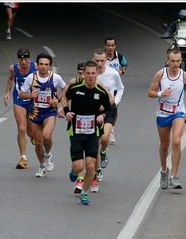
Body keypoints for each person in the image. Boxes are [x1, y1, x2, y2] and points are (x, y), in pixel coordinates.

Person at [61, 61, 112, 205]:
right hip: (76, 132)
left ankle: (84, 192)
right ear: (83, 74)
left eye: (93, 73)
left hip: (92, 133)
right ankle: (73, 170)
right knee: (79, 167)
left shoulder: (101, 92)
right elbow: (64, 98)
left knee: (90, 166)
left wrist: (103, 116)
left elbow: (109, 108)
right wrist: (67, 112)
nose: (90, 76)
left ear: (97, 74)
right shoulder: (75, 88)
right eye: (87, 73)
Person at [147, 48, 186, 190]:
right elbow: (150, 93)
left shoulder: (184, 75)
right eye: (172, 61)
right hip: (162, 113)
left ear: (181, 61)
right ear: (167, 61)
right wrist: (162, 93)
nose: (175, 64)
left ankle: (174, 177)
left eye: (178, 61)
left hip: (178, 112)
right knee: (164, 145)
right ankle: (164, 171)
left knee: (176, 141)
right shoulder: (160, 74)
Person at [18, 53, 67, 178]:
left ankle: (48, 154)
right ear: (37, 65)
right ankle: (41, 165)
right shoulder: (31, 78)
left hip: (49, 111)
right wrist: (30, 96)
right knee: (38, 143)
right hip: (35, 112)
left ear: (49, 66)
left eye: (46, 64)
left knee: (46, 136)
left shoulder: (55, 77)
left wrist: (58, 99)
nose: (43, 67)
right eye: (41, 64)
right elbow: (21, 94)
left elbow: (66, 88)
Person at [93, 48, 124, 182]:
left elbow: (121, 88)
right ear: (93, 60)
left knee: (104, 138)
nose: (99, 63)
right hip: (93, 111)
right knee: (95, 142)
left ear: (106, 60)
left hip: (109, 110)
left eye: (102, 60)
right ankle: (97, 169)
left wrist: (115, 102)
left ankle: (104, 152)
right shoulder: (90, 74)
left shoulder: (113, 73)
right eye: (97, 60)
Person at [4, 47, 37, 169]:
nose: (24, 62)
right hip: (19, 100)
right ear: (18, 60)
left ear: (29, 59)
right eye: (21, 59)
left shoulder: (36, 67)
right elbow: (10, 78)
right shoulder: (13, 68)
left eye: (26, 59)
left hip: (32, 100)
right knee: (21, 128)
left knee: (30, 132)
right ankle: (23, 158)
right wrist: (7, 92)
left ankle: (32, 134)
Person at [104, 36, 128, 144]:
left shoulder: (119, 56)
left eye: (112, 45)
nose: (110, 48)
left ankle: (111, 130)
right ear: (105, 46)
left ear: (115, 46)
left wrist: (122, 71)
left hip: (114, 88)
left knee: (113, 109)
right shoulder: (101, 57)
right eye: (108, 45)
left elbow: (125, 64)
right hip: (102, 87)